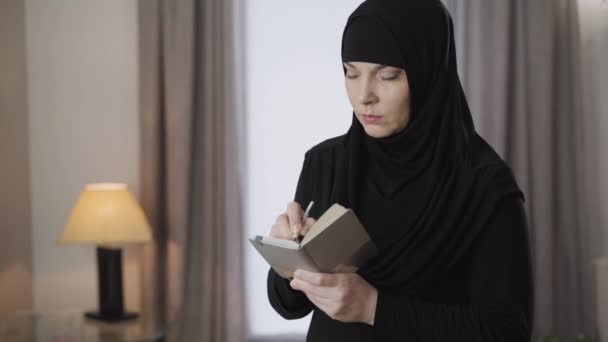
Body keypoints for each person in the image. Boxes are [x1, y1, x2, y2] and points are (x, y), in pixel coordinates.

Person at [266, 0, 534, 341]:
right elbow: (289, 305)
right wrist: (288, 256)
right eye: (351, 72)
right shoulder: (326, 162)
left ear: (427, 74)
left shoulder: (483, 184)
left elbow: (507, 331)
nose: (364, 96)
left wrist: (372, 307)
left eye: (388, 75)